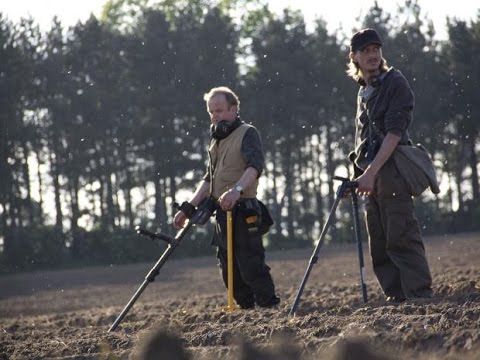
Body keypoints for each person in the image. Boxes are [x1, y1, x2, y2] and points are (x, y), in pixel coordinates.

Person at [346, 28, 433, 303]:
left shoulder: (395, 82)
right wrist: (357, 176)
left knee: (401, 234)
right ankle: (396, 297)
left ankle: (419, 295)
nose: (373, 55)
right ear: (354, 57)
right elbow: (363, 139)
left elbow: (394, 134)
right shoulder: (364, 91)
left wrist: (371, 173)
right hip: (371, 175)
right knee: (380, 241)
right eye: (366, 51)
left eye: (376, 49)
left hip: (392, 169)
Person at [173, 86, 280, 309]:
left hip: (243, 209)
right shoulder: (215, 141)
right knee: (228, 269)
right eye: (211, 112)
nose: (215, 116)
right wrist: (188, 208)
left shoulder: (248, 133)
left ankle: (269, 309)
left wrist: (237, 190)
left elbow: (255, 167)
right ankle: (246, 311)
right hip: (222, 213)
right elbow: (208, 179)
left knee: (251, 265)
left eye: (219, 110)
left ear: (233, 109)